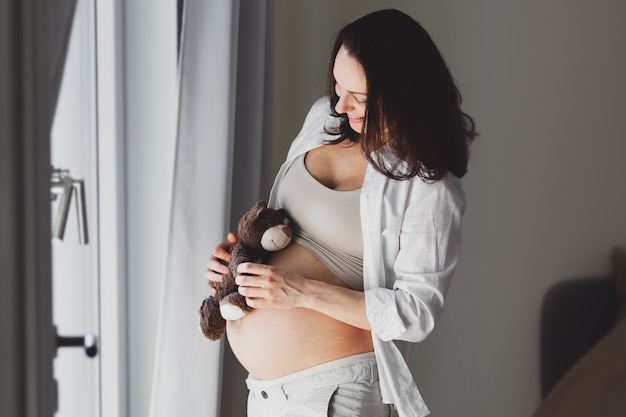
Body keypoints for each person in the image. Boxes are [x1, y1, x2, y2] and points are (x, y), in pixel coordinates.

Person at [205, 8, 476, 417]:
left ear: (403, 94)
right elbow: (287, 229)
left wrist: (302, 292)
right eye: (337, 85)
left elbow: (415, 313)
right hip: (265, 395)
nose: (341, 104)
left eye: (360, 98)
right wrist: (238, 263)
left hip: (337, 395)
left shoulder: (429, 187)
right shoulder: (323, 119)